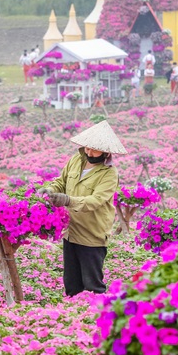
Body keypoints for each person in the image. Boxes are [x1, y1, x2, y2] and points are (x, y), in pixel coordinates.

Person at [39, 121, 127, 296]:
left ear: (106, 151)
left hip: (91, 235)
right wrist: (50, 190)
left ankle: (96, 318)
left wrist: (67, 200)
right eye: (87, 148)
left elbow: (95, 201)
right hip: (70, 232)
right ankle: (75, 318)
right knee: (71, 284)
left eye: (94, 150)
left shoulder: (109, 173)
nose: (89, 152)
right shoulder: (76, 160)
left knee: (93, 285)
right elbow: (61, 181)